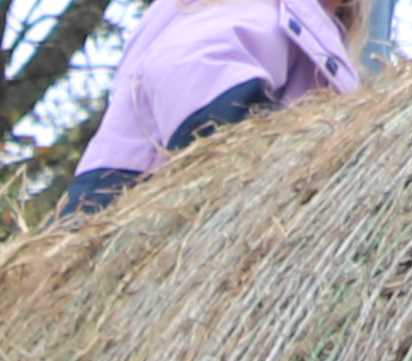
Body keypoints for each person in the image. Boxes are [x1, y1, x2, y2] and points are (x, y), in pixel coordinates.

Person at [66, 0, 361, 215]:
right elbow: (192, 68)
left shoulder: (296, 23)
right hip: (138, 203)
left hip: (126, 203)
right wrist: (266, 147)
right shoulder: (262, 10)